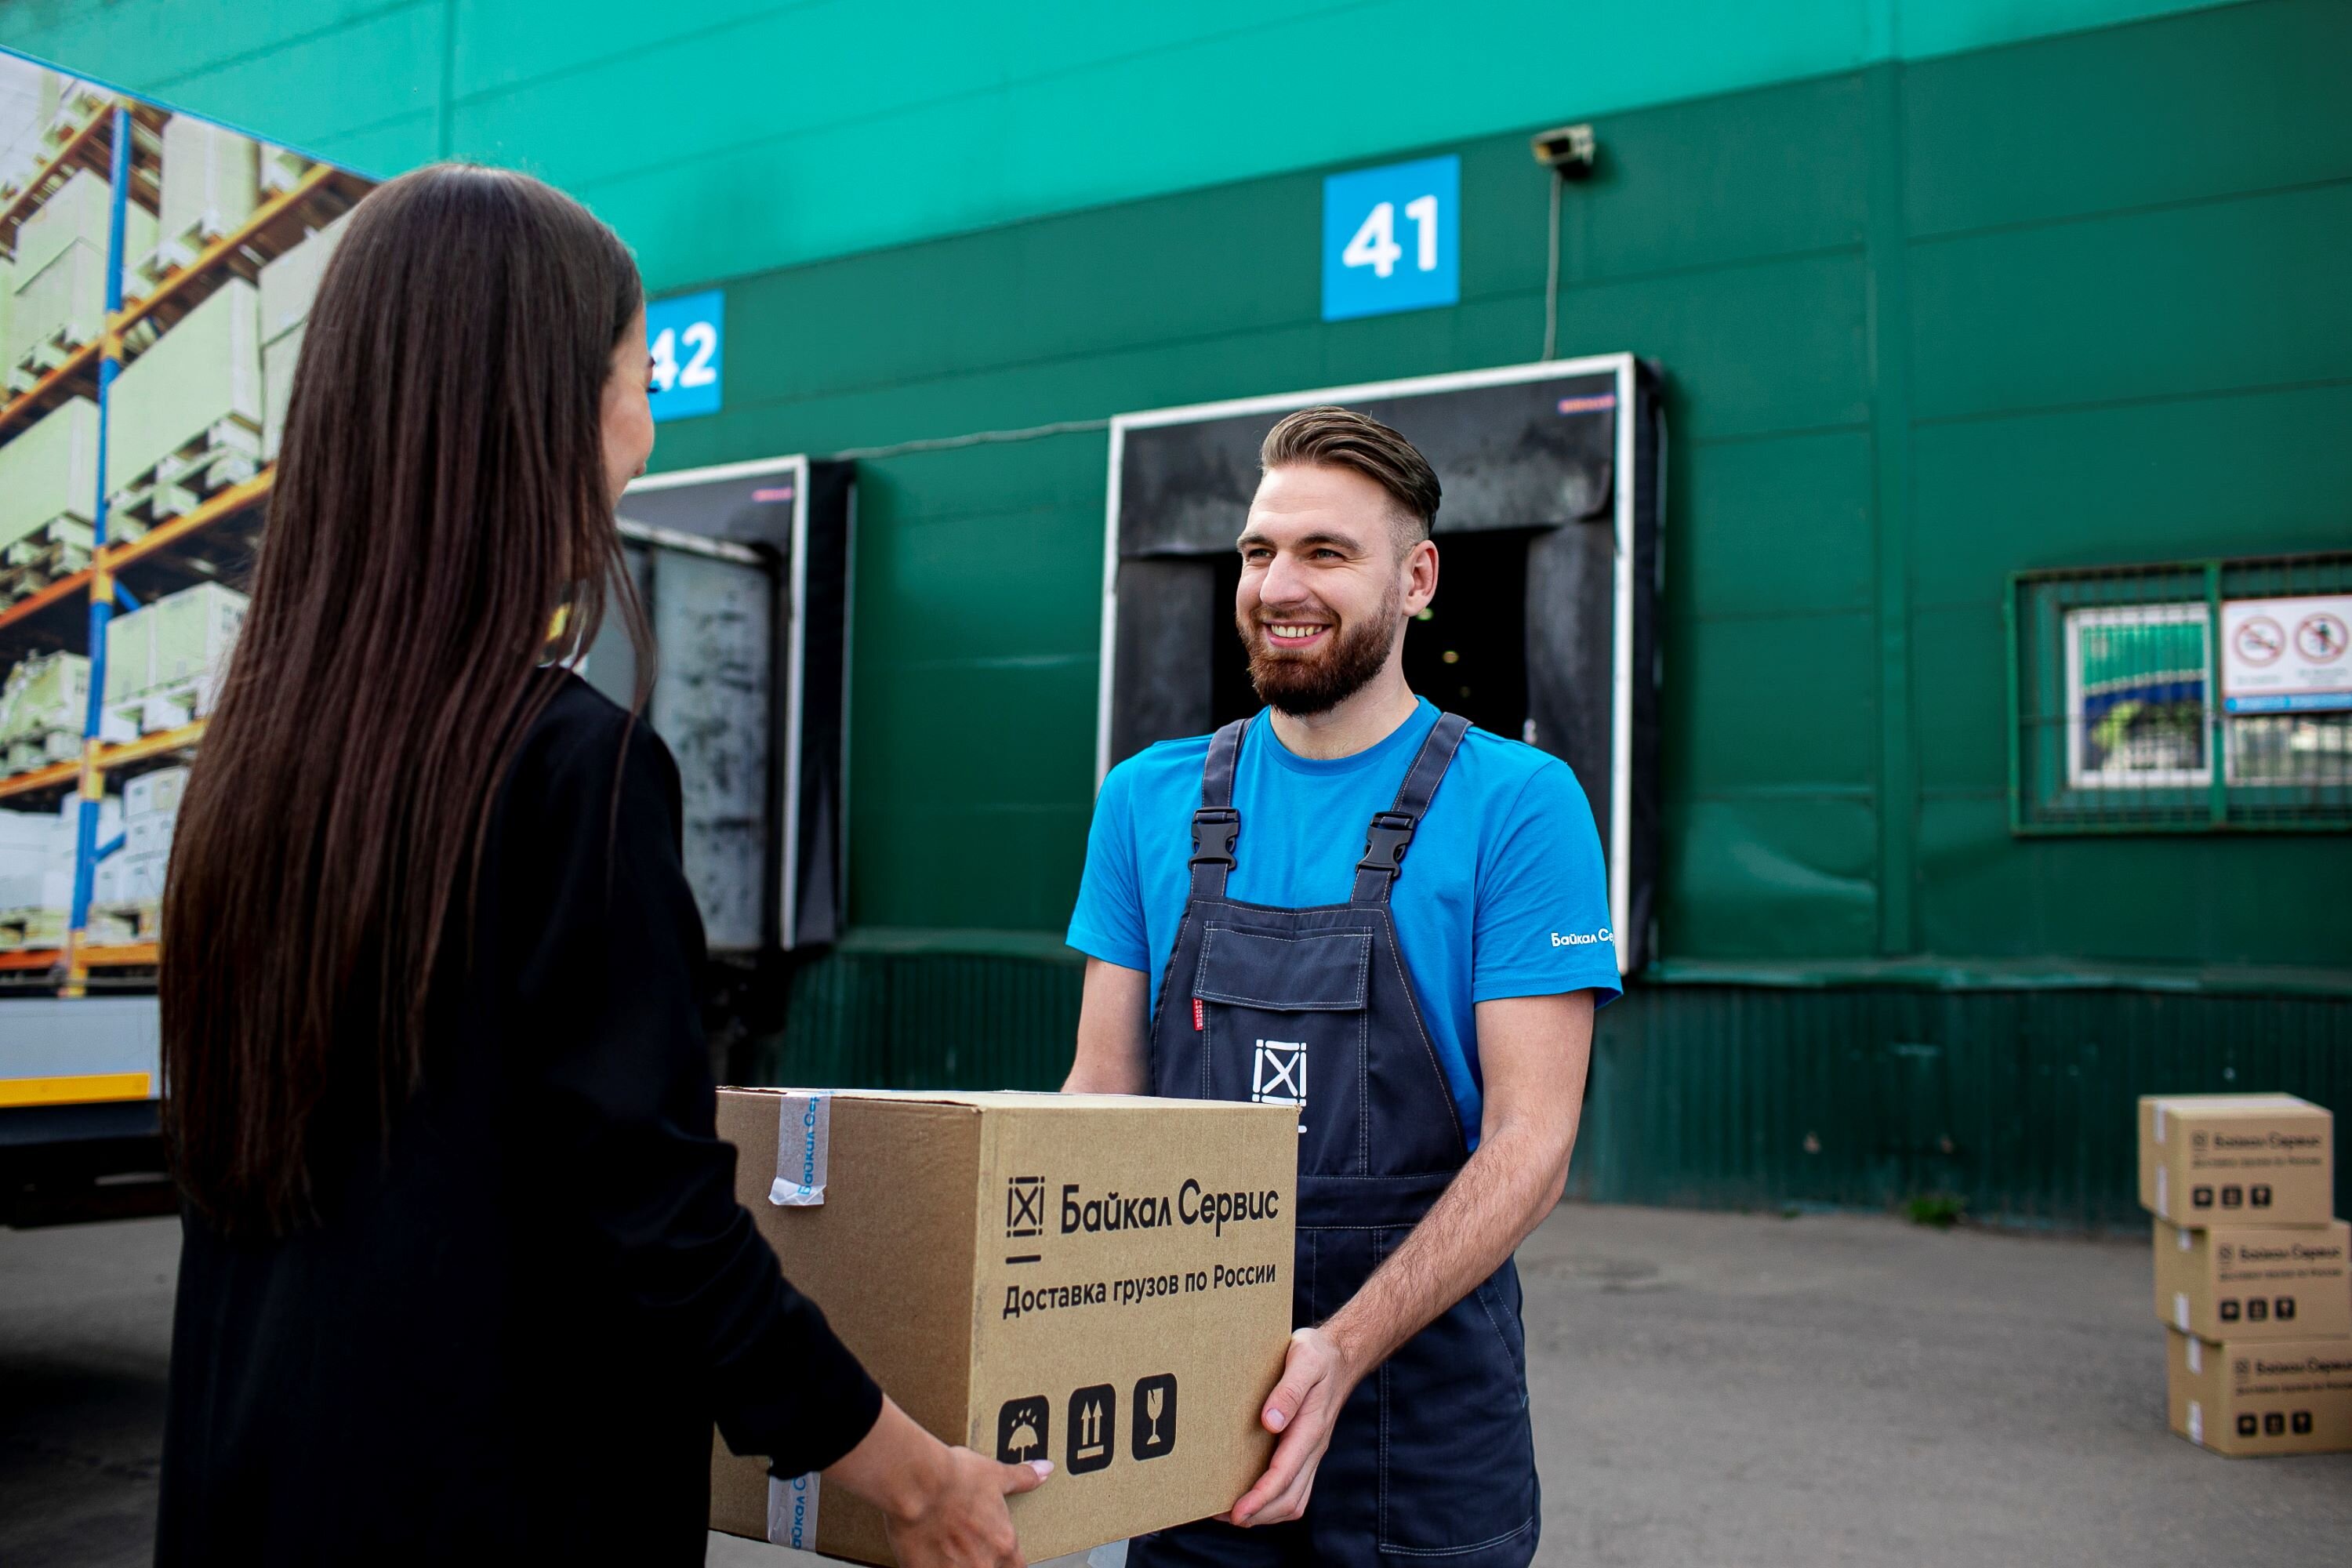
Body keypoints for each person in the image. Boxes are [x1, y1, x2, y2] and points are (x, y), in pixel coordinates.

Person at [154, 165, 1047, 1566]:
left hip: (257, 1490)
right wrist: (917, 1475)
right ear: (542, 407)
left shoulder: (256, 763)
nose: (651, 424)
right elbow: (661, 1223)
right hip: (490, 1511)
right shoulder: (573, 766)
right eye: (638, 374)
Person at [1062, 407, 1620, 1566]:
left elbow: (1532, 1141)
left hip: (1422, 1430)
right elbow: (1100, 1100)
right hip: (1190, 1410)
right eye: (1260, 552)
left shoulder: (1519, 803)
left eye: (1326, 552)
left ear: (1417, 578)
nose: (1279, 584)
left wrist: (1342, 1348)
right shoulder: (1146, 800)